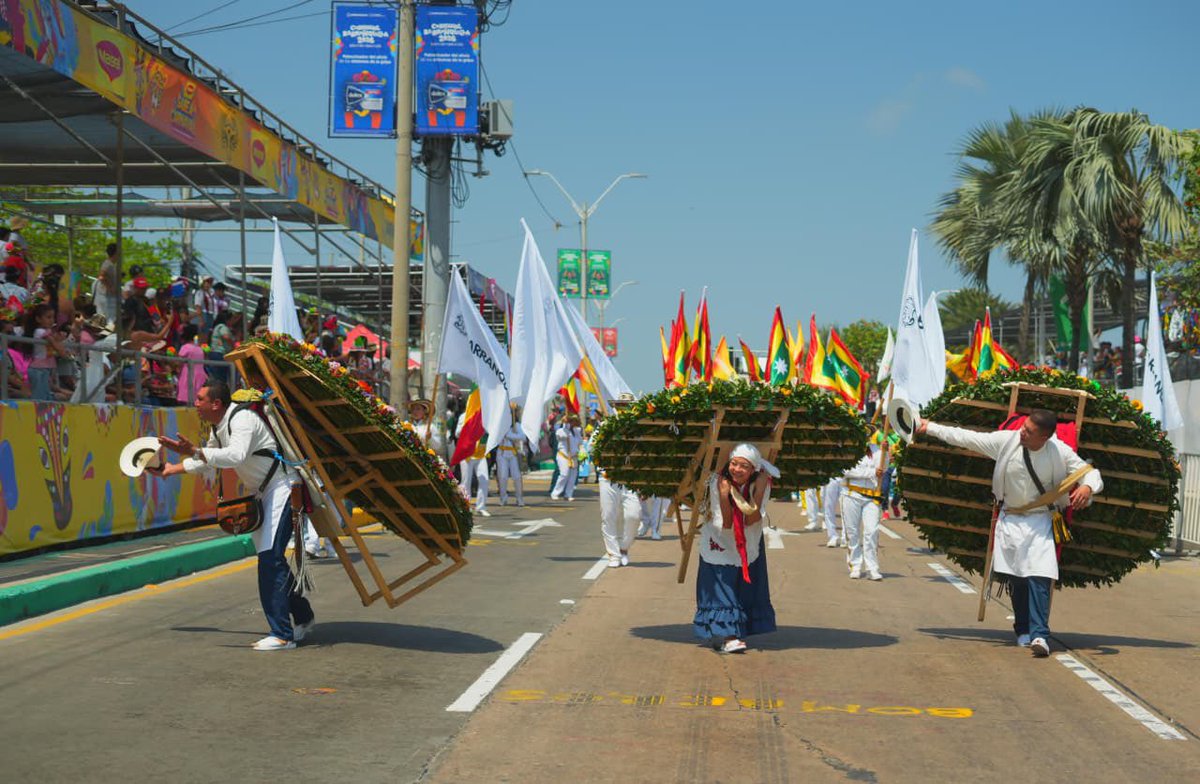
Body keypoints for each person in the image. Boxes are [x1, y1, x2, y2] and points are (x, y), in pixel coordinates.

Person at [915, 409, 1102, 658]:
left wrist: (1088, 487)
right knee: (1018, 580)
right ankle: (1022, 629)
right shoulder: (1007, 441)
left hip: (1040, 522)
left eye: (1029, 432)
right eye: (1023, 427)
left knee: (1040, 575)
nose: (1022, 432)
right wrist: (930, 427)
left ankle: (1040, 635)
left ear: (1045, 437)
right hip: (1010, 520)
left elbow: (1091, 472)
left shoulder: (1059, 452)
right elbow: (967, 438)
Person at [150, 381, 315, 651]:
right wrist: (170, 469)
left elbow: (235, 456)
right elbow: (208, 459)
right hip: (265, 493)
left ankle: (282, 634)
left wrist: (193, 450)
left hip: (283, 488)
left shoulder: (243, 419)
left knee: (270, 559)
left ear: (216, 403)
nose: (196, 403)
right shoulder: (220, 425)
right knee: (271, 560)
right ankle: (304, 616)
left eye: (200, 398)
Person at [693, 444, 778, 653]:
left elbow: (751, 519)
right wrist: (723, 495)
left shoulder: (762, 483)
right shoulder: (717, 482)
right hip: (720, 541)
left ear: (753, 470)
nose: (736, 470)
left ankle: (728, 633)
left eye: (743, 466)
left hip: (747, 541)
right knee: (722, 589)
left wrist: (757, 491)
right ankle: (729, 637)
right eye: (733, 463)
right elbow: (727, 524)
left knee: (743, 589)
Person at [840, 440, 885, 581]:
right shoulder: (846, 448)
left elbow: (883, 468)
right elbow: (845, 470)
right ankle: (855, 565)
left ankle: (872, 568)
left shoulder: (877, 450)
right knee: (852, 531)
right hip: (851, 494)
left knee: (872, 532)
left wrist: (886, 452)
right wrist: (871, 472)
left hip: (872, 496)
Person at [456, 416, 491, 517]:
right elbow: (457, 433)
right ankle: (466, 507)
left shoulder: (485, 416)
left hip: (480, 453)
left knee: (484, 480)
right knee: (466, 482)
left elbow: (491, 431)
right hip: (467, 453)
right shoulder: (464, 416)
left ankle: (481, 507)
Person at [496, 406, 525, 507]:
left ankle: (519, 498)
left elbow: (523, 437)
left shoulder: (516, 425)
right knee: (503, 477)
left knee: (516, 476)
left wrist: (510, 435)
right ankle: (503, 498)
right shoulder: (501, 425)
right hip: (502, 453)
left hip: (513, 453)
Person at [550, 414, 581, 501]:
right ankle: (555, 492)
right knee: (564, 474)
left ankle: (568, 494)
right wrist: (565, 425)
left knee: (572, 476)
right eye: (571, 421)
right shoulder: (561, 431)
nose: (573, 423)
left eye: (574, 421)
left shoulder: (576, 431)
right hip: (563, 456)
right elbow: (561, 436)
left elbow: (580, 442)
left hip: (573, 457)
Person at [175, 324, 208, 405]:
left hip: (188, 376)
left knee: (184, 401)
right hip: (200, 377)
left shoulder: (186, 347)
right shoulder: (200, 349)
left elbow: (178, 363)